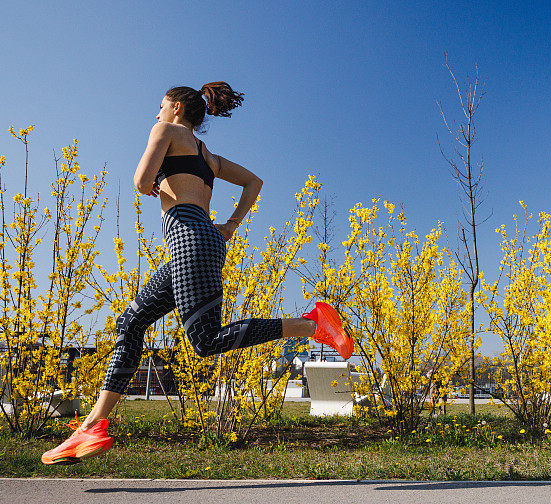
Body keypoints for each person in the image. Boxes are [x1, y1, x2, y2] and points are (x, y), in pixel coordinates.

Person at [42, 82, 352, 465]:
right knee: (130, 323)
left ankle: (312, 324)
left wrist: (153, 182)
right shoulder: (210, 157)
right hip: (200, 240)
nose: (155, 114)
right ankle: (92, 426)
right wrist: (230, 226)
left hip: (190, 239)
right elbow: (254, 181)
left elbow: (141, 181)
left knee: (205, 341)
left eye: (159, 106)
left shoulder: (166, 131)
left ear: (174, 108)